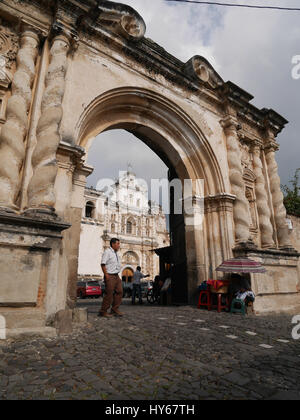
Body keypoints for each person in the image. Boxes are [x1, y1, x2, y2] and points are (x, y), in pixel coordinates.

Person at [98, 238, 124, 318]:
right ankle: (103, 311)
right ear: (113, 244)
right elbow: (103, 264)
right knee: (109, 294)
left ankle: (114, 309)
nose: (119, 245)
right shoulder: (107, 252)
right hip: (110, 275)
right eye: (118, 244)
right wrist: (106, 275)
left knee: (119, 291)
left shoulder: (116, 253)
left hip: (116, 275)